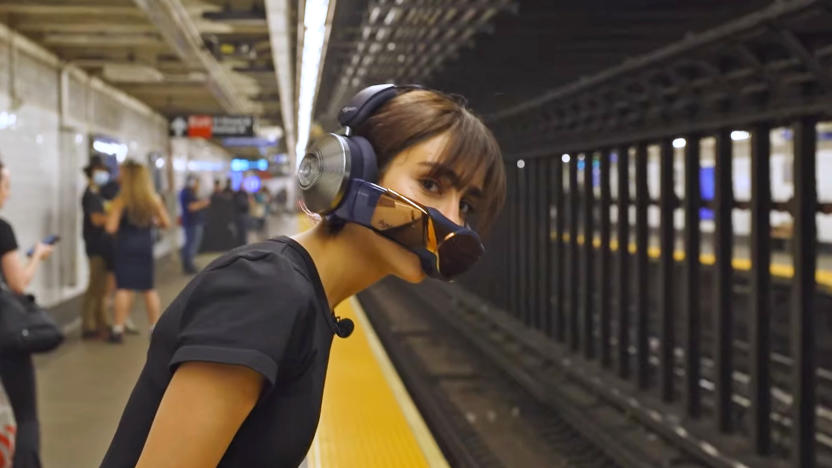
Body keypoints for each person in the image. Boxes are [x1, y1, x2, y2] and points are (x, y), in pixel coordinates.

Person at [100, 85, 505, 468]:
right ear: (351, 172)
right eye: (431, 183)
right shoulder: (264, 292)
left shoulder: (308, 298)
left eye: (466, 205)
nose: (451, 220)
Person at [0, 159, 54, 468]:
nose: (8, 193)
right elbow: (17, 283)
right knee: (25, 416)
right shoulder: (2, 228)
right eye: (5, 185)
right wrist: (36, 257)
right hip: (6, 334)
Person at [105, 161, 171, 343]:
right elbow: (166, 222)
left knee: (123, 288)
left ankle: (118, 329)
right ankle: (154, 327)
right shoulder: (153, 199)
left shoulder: (121, 200)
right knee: (148, 288)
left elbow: (111, 228)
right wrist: (151, 223)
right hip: (144, 246)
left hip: (125, 246)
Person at [80, 156, 113, 339]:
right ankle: (88, 326)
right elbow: (96, 219)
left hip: (102, 246)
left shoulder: (99, 194)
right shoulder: (90, 195)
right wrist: (115, 219)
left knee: (100, 288)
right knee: (94, 287)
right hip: (95, 247)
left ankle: (100, 323)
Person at [179, 175, 209, 274]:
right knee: (191, 245)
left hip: (194, 222)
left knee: (192, 245)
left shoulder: (190, 192)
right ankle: (188, 265)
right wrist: (203, 203)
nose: (197, 185)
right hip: (191, 223)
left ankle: (190, 264)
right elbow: (191, 207)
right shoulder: (186, 193)